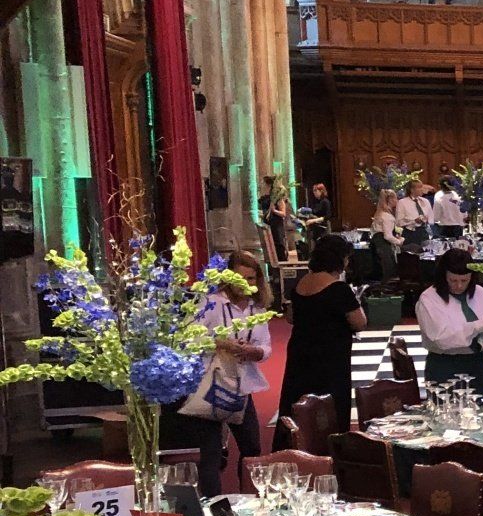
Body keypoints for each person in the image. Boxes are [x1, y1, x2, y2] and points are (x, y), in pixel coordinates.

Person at [162, 250, 275, 494]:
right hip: (210, 384)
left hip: (242, 387)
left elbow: (266, 348)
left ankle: (251, 499)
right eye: (240, 278)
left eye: (251, 278)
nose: (246, 283)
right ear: (228, 278)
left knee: (252, 448)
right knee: (211, 453)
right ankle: (214, 504)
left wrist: (253, 351)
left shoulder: (257, 309)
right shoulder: (211, 303)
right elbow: (188, 338)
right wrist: (221, 344)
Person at [278, 231, 366, 428]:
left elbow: (291, 317)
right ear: (340, 259)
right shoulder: (338, 289)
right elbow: (359, 322)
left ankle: (298, 439)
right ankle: (329, 443)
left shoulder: (302, 283)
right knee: (329, 407)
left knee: (299, 400)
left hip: (301, 352)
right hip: (329, 356)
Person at [415, 249, 483, 394]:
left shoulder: (480, 293)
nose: (459, 286)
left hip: (478, 363)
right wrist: (481, 325)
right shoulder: (429, 299)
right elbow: (442, 339)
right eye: (453, 280)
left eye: (464, 281)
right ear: (443, 276)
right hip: (445, 365)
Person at [369, 188, 402, 280]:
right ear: (390, 200)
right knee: (388, 270)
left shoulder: (379, 214)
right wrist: (399, 241)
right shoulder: (387, 216)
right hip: (383, 245)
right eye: (395, 198)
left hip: (376, 244)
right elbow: (387, 236)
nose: (397, 200)